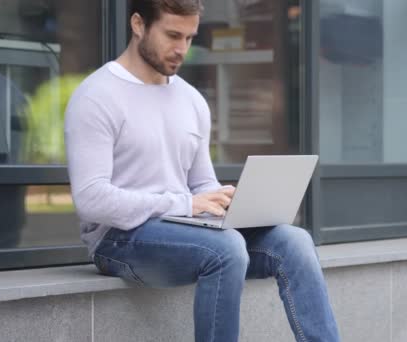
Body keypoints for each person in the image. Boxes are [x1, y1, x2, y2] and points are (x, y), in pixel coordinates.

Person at [63, 1, 340, 341]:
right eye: (172, 35)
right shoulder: (96, 96)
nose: (182, 49)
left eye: (190, 37)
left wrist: (226, 201)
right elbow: (91, 199)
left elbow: (200, 184)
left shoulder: (190, 99)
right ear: (138, 24)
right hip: (119, 240)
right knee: (224, 249)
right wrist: (184, 205)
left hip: (184, 230)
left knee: (294, 241)